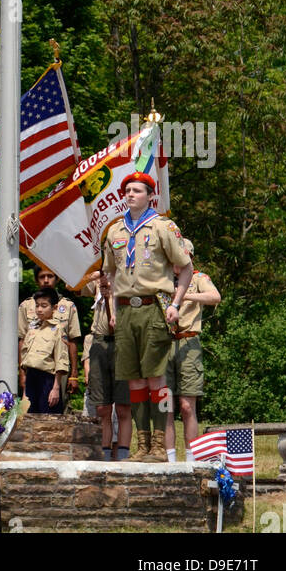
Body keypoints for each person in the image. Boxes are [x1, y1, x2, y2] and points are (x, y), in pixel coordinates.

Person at [101, 171, 192, 463]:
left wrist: (176, 303)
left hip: (154, 306)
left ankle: (158, 446)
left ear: (150, 195)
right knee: (134, 381)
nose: (130, 195)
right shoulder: (114, 231)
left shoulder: (163, 227)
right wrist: (113, 310)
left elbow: (185, 267)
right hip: (126, 309)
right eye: (127, 190)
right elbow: (109, 274)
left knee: (156, 379)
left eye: (137, 190)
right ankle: (141, 446)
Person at [164, 240, 220, 461]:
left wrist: (184, 296)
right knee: (164, 405)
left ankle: (191, 459)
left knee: (187, 405)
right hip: (164, 343)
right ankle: (168, 459)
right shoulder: (163, 278)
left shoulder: (197, 278)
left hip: (188, 342)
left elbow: (215, 297)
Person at [85, 276, 132, 459]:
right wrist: (95, 275)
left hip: (122, 341)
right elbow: (72, 284)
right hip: (99, 341)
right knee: (102, 407)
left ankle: (122, 452)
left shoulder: (126, 277)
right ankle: (104, 452)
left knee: (122, 406)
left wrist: (111, 293)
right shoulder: (98, 279)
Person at [18, 266, 81, 402]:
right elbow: (22, 340)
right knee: (29, 409)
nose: (46, 280)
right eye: (42, 277)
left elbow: (73, 340)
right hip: (33, 367)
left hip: (58, 368)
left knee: (57, 407)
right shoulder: (27, 305)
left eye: (50, 276)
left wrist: (74, 374)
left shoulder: (68, 306)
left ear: (57, 279)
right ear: (36, 280)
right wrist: (22, 374)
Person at [21, 289, 69, 413]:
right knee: (29, 416)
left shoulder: (57, 329)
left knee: (48, 417)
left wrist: (56, 388)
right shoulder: (33, 328)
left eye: (44, 306)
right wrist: (25, 389)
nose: (39, 310)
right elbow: (26, 357)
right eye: (37, 305)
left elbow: (60, 359)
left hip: (48, 379)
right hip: (31, 376)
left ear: (54, 307)